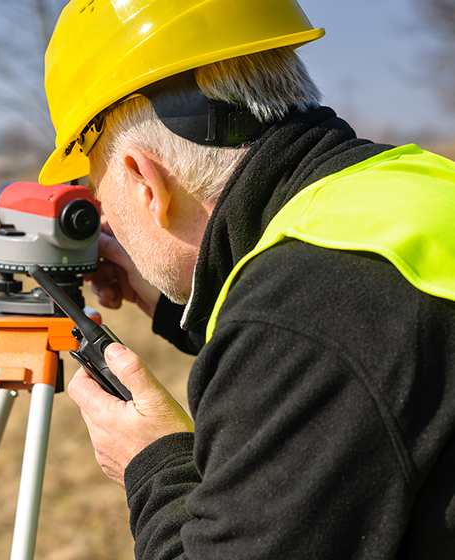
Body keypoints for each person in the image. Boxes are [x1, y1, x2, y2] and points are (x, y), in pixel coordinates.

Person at [38, 1, 455, 558]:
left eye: (98, 188)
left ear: (143, 179)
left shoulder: (306, 313)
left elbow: (311, 339)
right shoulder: (413, 189)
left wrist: (154, 462)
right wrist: (166, 297)